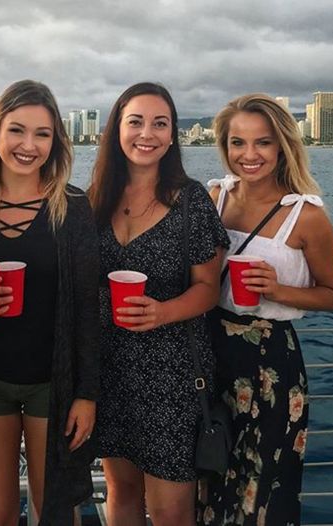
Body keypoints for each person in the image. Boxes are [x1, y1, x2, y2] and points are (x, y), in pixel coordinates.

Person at [0, 79, 100, 525]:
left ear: (56, 141)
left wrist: (87, 394)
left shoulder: (72, 207)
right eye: (17, 130)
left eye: (42, 134)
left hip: (54, 382)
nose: (28, 145)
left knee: (54, 513)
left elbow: (89, 306)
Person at [87, 82, 229, 526]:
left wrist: (162, 312)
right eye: (135, 121)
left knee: (170, 509)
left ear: (172, 136)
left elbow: (209, 287)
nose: (146, 133)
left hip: (172, 375)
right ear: (117, 130)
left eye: (159, 123)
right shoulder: (95, 198)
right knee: (121, 491)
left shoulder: (191, 202)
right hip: (110, 371)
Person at [202, 93, 333, 525]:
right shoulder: (215, 197)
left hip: (269, 368)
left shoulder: (306, 215)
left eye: (261, 143)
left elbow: (332, 294)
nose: (249, 155)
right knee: (207, 477)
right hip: (208, 355)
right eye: (237, 143)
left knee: (261, 489)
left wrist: (278, 290)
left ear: (281, 146)